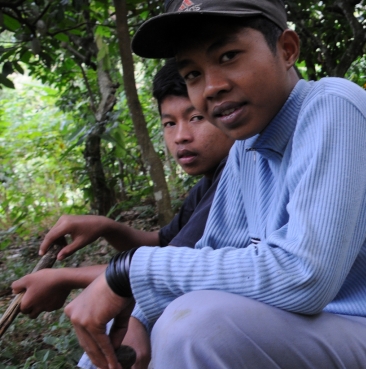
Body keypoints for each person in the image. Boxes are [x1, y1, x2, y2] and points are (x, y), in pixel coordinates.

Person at [64, 0, 366, 368]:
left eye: (229, 56)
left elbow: (303, 277)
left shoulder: (333, 108)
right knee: (140, 327)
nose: (211, 87)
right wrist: (140, 317)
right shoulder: (247, 148)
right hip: (327, 331)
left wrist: (131, 270)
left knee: (197, 328)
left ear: (286, 49)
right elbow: (215, 256)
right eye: (193, 74)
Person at [12, 60, 235, 369]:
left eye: (195, 118)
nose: (181, 136)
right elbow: (160, 243)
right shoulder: (207, 184)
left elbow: (170, 266)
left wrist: (65, 277)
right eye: (169, 123)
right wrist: (106, 227)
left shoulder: (234, 177)